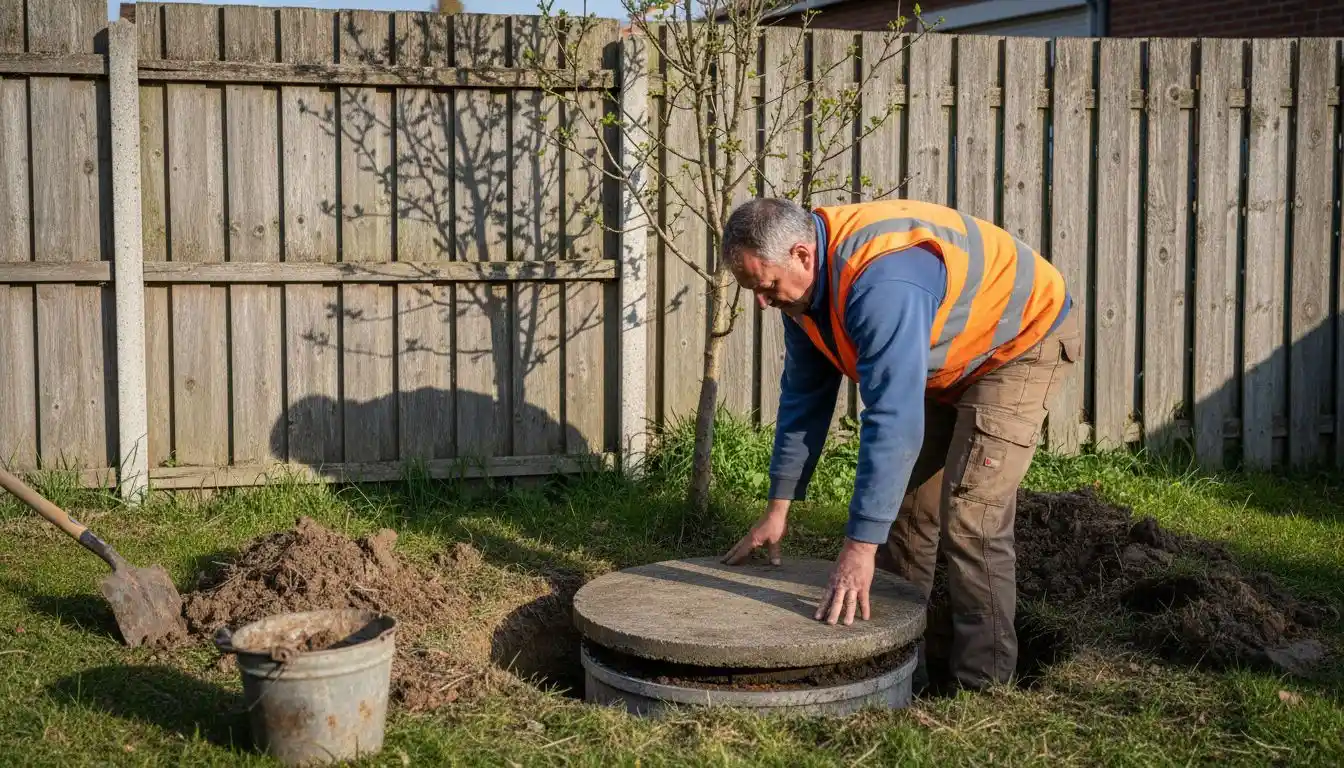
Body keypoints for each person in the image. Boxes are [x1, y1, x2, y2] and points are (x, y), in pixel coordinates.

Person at [717, 196, 1080, 690]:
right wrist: (778, 508)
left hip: (1018, 343)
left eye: (766, 286)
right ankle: (901, 675)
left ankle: (983, 690)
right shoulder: (800, 294)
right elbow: (804, 398)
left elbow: (894, 420)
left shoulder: (879, 282)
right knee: (906, 516)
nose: (762, 302)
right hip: (943, 354)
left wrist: (858, 548)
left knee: (971, 518)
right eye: (754, 290)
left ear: (802, 255)